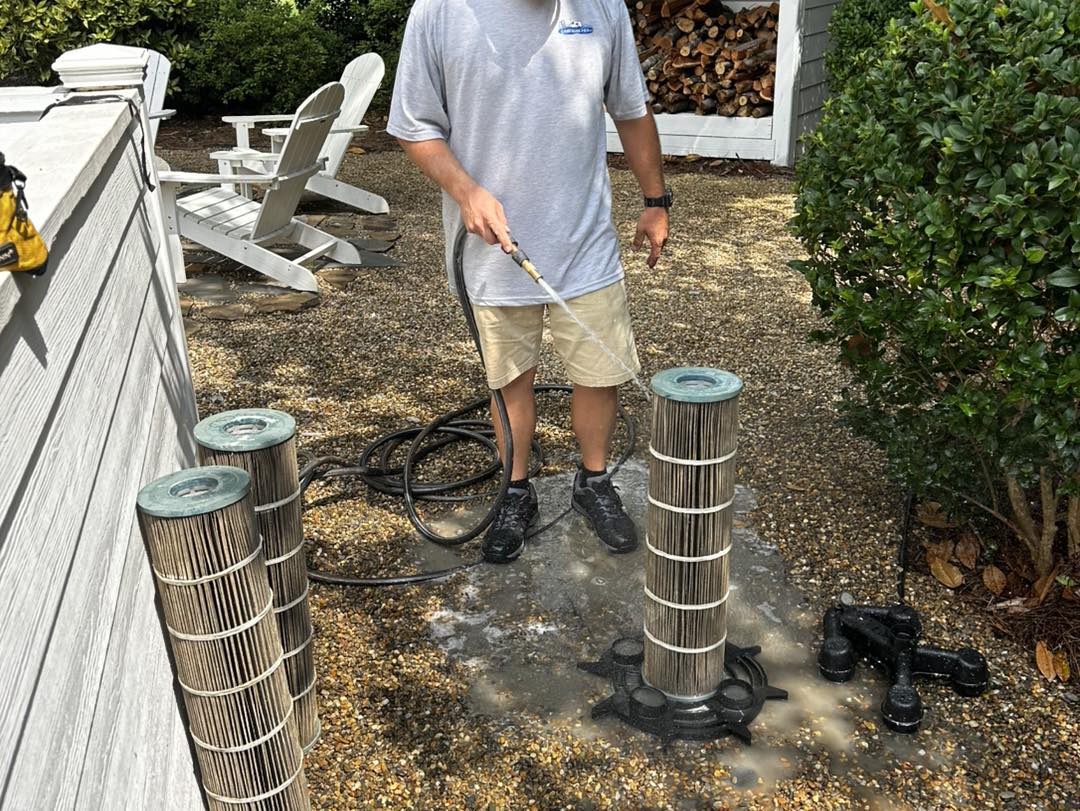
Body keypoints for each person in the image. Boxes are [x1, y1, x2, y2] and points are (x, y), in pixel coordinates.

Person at [388, 0, 670, 564]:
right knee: (510, 377)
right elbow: (414, 127)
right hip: (494, 249)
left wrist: (656, 200)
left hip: (584, 241)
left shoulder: (602, 8)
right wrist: (467, 191)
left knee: (599, 371)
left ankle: (593, 482)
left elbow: (632, 111)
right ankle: (516, 491)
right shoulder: (439, 12)